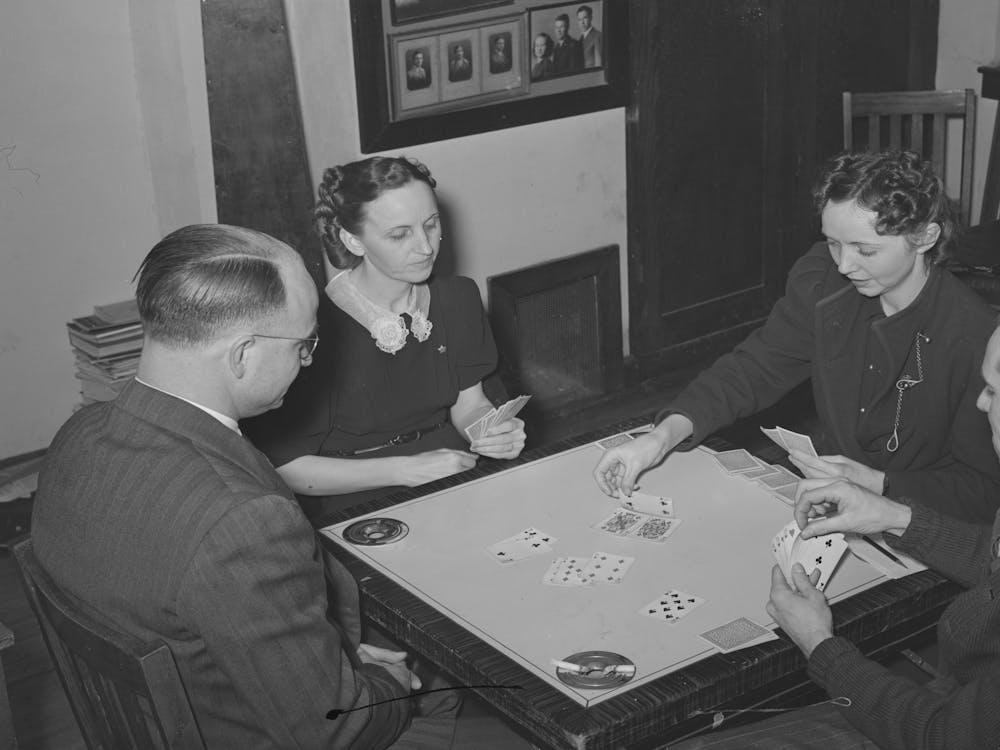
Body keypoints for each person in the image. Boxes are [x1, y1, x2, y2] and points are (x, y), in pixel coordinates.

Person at [31, 224, 459, 748]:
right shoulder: (243, 521)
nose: (308, 362)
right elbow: (337, 728)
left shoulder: (77, 435)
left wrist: (332, 662)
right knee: (446, 690)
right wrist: (381, 683)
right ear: (242, 355)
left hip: (168, 715)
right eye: (305, 345)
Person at [594, 149, 1000, 523]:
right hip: (838, 499)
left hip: (924, 524)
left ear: (925, 238)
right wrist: (663, 435)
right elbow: (755, 368)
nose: (844, 265)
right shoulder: (823, 278)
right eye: (833, 243)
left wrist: (878, 484)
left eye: (865, 250)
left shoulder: (976, 337)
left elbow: (983, 493)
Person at [672, 322, 1000, 749]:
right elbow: (991, 558)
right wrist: (895, 517)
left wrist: (820, 645)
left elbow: (942, 736)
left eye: (994, 390)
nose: (980, 401)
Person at [244, 157, 526, 527]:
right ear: (352, 240)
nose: (425, 247)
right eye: (399, 235)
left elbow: (468, 404)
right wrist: (403, 470)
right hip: (355, 490)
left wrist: (491, 431)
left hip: (450, 465)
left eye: (431, 225)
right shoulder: (315, 329)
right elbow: (289, 469)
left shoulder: (457, 297)